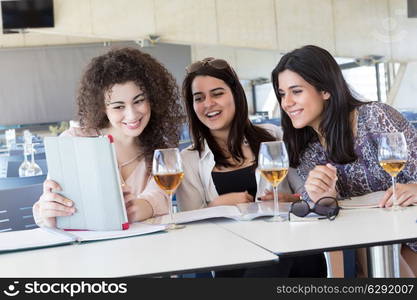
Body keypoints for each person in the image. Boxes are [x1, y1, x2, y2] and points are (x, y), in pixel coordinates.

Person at [271, 44, 417, 277]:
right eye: (281, 94)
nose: (286, 102)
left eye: (296, 91)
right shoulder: (309, 150)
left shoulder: (375, 117)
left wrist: (415, 188)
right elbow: (322, 213)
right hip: (369, 244)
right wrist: (324, 199)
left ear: (325, 90)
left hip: (409, 235)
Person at [176, 57, 327, 277]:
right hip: (233, 261)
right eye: (199, 98)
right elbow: (190, 227)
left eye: (217, 93)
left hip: (292, 254)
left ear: (235, 95)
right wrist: (217, 206)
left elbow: (310, 195)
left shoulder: (275, 136)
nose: (208, 103)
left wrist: (291, 200)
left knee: (286, 246)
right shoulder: (188, 159)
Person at [33, 47, 184, 228]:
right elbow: (47, 214)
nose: (132, 115)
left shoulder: (160, 148)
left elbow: (159, 199)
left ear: (152, 98)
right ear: (102, 108)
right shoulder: (74, 142)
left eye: (138, 101)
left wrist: (133, 210)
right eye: (118, 106)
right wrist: (48, 211)